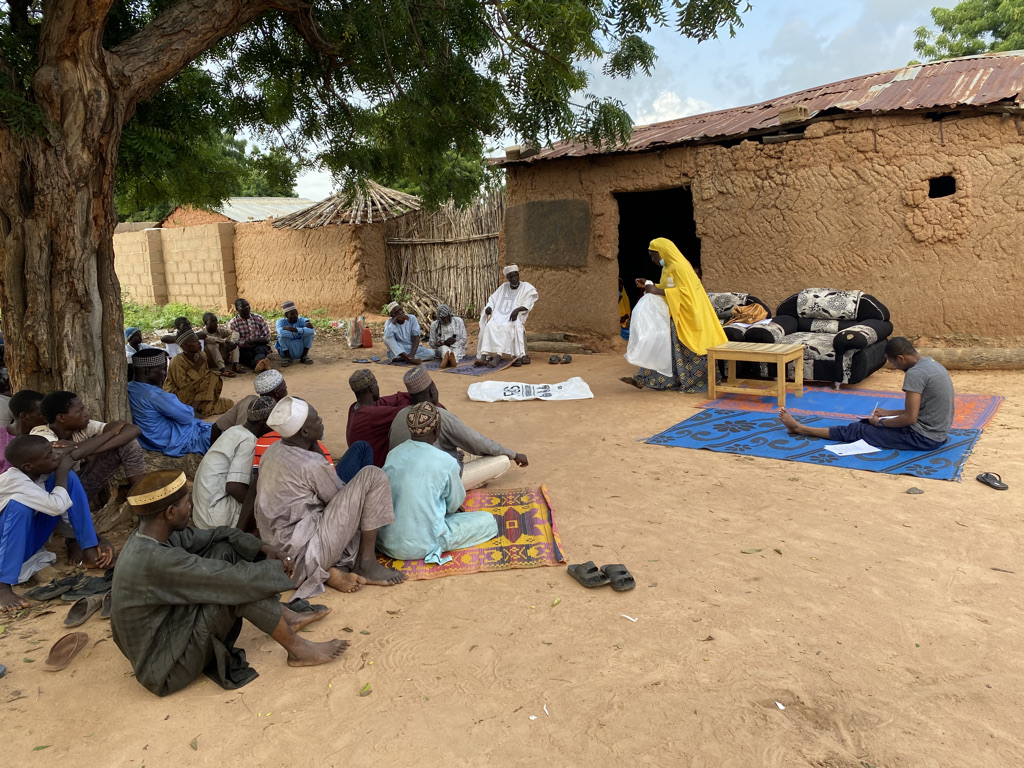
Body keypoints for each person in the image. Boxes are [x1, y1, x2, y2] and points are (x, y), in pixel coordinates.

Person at [111, 470, 346, 697]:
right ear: (170, 513)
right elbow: (232, 580)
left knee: (224, 551)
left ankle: (286, 617)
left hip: (168, 634)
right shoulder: (156, 560)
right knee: (234, 588)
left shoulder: (152, 536)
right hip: (165, 668)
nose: (190, 506)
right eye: (186, 502)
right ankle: (298, 650)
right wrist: (280, 570)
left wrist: (265, 548)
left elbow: (219, 535)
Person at [256, 396, 406, 596]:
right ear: (305, 432)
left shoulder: (272, 451)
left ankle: (333, 571)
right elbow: (339, 501)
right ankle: (366, 563)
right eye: (317, 419)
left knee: (351, 511)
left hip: (278, 555)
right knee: (374, 476)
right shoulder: (311, 464)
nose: (322, 421)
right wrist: (318, 457)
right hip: (302, 557)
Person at [0, 436, 114, 613]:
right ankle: (3, 586)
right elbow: (57, 506)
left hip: (25, 544)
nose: (55, 457)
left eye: (52, 452)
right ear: (28, 467)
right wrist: (61, 472)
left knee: (68, 478)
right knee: (20, 507)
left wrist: (98, 538)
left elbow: (64, 504)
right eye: (49, 456)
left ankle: (89, 550)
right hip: (4, 547)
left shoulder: (39, 470)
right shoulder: (12, 481)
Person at [779, 337, 955, 450]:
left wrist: (881, 424)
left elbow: (910, 418)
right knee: (867, 423)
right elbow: (922, 409)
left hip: (923, 438)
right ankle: (802, 428)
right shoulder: (931, 364)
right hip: (937, 433)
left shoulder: (915, 374)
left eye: (894, 363)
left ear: (901, 358)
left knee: (859, 430)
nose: (895, 367)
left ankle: (799, 428)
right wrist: (887, 414)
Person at [380, 403, 497, 564]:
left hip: (386, 543)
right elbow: (453, 505)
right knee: (488, 520)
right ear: (437, 429)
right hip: (422, 545)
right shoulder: (446, 461)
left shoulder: (393, 454)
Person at [389, 367, 527, 489]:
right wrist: (513, 454)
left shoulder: (400, 414)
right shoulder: (440, 415)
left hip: (403, 482)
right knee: (502, 460)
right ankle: (470, 486)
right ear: (432, 391)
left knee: (464, 452)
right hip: (434, 484)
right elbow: (477, 442)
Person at [622, 238, 726, 393]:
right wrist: (650, 285)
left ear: (663, 253)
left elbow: (686, 293)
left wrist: (656, 291)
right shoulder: (668, 268)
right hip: (678, 314)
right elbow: (669, 288)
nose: (653, 260)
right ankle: (644, 378)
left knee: (681, 348)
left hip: (689, 315)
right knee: (662, 345)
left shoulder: (679, 267)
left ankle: (696, 381)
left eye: (654, 256)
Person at [31, 390, 146, 505]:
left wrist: (79, 448)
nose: (86, 414)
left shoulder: (82, 427)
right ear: (61, 418)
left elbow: (133, 430)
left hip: (79, 484)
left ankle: (143, 495)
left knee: (128, 443)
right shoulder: (40, 433)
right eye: (80, 411)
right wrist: (109, 433)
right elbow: (62, 455)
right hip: (53, 496)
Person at [192, 396, 275, 530]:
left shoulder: (234, 430)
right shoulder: (248, 442)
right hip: (216, 519)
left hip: (202, 515)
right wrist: (260, 511)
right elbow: (234, 487)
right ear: (266, 423)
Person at [127, 347, 212, 456]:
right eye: (162, 369)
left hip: (152, 441)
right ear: (148, 371)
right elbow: (187, 416)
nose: (164, 374)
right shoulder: (153, 395)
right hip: (177, 440)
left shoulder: (130, 388)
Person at [346, 369, 412, 467]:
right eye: (376, 384)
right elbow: (407, 410)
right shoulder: (371, 415)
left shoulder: (355, 407)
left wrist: (407, 398)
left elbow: (398, 398)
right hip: (375, 472)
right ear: (372, 388)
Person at [476, 265, 538, 368]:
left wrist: (517, 310)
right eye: (510, 277)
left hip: (514, 317)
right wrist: (489, 307)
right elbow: (492, 299)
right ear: (507, 278)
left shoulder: (526, 287)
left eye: (515, 276)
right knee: (489, 326)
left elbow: (528, 304)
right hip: (498, 316)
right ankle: (484, 355)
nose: (514, 278)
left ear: (518, 275)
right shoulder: (503, 287)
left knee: (505, 326)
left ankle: (498, 356)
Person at [163, 328, 234, 418]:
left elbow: (203, 379)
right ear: (185, 346)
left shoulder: (202, 355)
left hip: (196, 395)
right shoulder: (177, 360)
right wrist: (197, 366)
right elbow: (182, 385)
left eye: (198, 340)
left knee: (228, 403)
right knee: (212, 376)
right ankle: (193, 410)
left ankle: (198, 408)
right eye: (195, 341)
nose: (199, 343)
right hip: (178, 396)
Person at [0, 390, 46, 474]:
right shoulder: (1, 437)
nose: (46, 418)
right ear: (24, 416)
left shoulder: (46, 434)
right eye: (42, 414)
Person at [229, 298, 272, 373]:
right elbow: (234, 341)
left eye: (247, 305)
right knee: (247, 355)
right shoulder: (233, 323)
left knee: (261, 350)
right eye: (243, 306)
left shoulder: (259, 318)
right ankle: (262, 365)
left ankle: (258, 364)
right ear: (237, 309)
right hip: (244, 348)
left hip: (259, 345)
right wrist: (254, 341)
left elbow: (267, 337)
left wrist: (252, 342)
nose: (246, 308)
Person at [275, 301, 315, 366]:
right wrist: (300, 332)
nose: (295, 315)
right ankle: (287, 357)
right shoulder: (280, 322)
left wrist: (294, 329)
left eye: (296, 313)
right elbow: (281, 333)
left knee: (309, 335)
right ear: (286, 315)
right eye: (292, 314)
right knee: (281, 336)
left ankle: (304, 356)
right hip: (286, 351)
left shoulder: (302, 320)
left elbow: (312, 331)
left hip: (300, 349)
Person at [202, 312, 242, 377]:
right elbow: (209, 339)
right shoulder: (202, 334)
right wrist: (224, 341)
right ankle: (222, 369)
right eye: (212, 321)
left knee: (232, 342)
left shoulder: (219, 330)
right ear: (205, 323)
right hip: (211, 361)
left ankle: (235, 364)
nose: (215, 323)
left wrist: (232, 342)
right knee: (212, 345)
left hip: (223, 357)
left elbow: (235, 332)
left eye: (216, 321)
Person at [428, 304, 468, 369]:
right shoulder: (434, 325)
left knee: (457, 350)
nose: (445, 320)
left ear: (449, 315)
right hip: (442, 346)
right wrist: (442, 344)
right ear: (439, 318)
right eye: (442, 318)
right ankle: (449, 359)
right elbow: (431, 343)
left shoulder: (458, 321)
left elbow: (464, 339)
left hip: (458, 346)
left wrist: (452, 344)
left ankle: (450, 360)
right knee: (444, 349)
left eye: (446, 317)